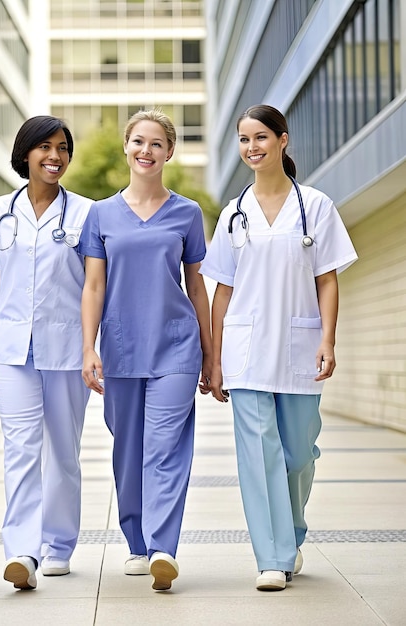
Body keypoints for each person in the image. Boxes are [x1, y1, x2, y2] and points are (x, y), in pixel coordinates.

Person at [200, 104, 358, 591]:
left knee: (298, 455)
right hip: (245, 350)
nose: (252, 147)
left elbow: (327, 279)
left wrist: (328, 339)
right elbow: (222, 289)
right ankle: (271, 557)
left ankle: (290, 534)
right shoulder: (234, 213)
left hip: (299, 345)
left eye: (261, 137)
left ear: (283, 140)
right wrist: (215, 358)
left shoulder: (316, 205)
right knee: (257, 455)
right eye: (245, 139)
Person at [79, 109, 212, 591]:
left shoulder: (188, 213)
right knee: (128, 448)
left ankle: (163, 547)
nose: (146, 151)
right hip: (119, 348)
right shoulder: (101, 214)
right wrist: (87, 349)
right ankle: (137, 543)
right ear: (126, 148)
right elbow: (93, 287)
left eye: (156, 144)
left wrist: (210, 354)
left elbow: (197, 288)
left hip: (176, 346)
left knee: (165, 447)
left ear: (169, 153)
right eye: (138, 142)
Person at [0, 115, 92, 591]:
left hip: (65, 349)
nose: (54, 157)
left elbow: (94, 288)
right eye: (45, 147)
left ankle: (58, 545)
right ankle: (22, 550)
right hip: (8, 350)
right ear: (26, 153)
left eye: (62, 148)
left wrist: (90, 349)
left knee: (62, 452)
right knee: (20, 450)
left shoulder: (86, 213)